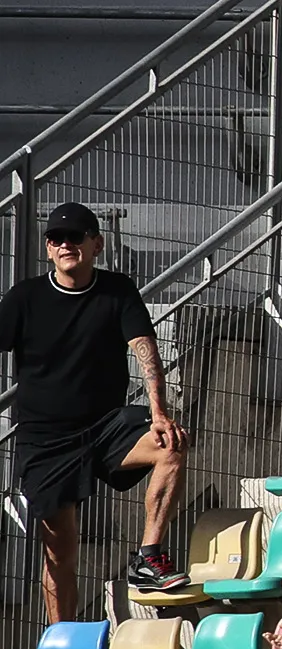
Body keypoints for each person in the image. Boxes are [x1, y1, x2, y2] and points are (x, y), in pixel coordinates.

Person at [0, 201, 183, 611]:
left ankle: (148, 557)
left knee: (170, 444)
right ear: (48, 249)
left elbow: (144, 348)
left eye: (75, 237)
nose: (65, 245)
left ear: (96, 244)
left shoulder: (117, 289)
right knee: (60, 554)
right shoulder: (24, 298)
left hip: (105, 428)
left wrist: (159, 413)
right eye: (56, 239)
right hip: (46, 441)